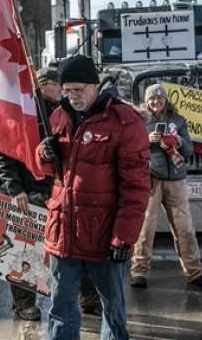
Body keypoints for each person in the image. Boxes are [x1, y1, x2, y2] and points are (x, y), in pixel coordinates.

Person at [36, 55, 150, 340]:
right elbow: (53, 173)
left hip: (104, 236)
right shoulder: (59, 116)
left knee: (112, 308)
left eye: (79, 89)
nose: (73, 96)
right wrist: (44, 154)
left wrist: (123, 238)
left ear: (95, 86)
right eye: (68, 90)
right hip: (64, 232)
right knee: (60, 306)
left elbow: (136, 188)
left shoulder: (124, 122)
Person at [130, 84, 202, 290]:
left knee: (185, 228)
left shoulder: (179, 120)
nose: (155, 101)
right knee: (145, 228)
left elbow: (189, 150)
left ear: (166, 100)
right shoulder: (139, 121)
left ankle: (195, 272)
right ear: (146, 101)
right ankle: (139, 272)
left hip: (176, 179)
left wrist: (178, 140)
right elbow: (130, 149)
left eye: (159, 98)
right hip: (151, 179)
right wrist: (146, 140)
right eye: (151, 98)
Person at [0, 66, 57, 321]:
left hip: (57, 188)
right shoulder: (21, 110)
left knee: (69, 247)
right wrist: (15, 189)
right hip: (28, 190)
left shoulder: (64, 110)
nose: (62, 90)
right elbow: (3, 153)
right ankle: (24, 303)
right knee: (23, 248)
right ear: (44, 84)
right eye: (57, 84)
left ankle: (87, 298)